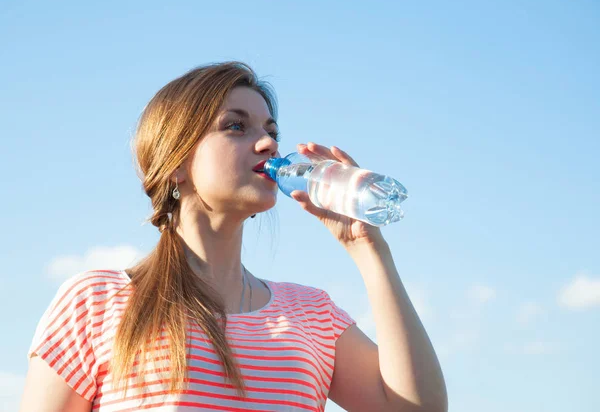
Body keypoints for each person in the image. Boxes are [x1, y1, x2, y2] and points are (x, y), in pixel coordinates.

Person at [19, 62, 447, 412]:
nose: (267, 144)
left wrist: (368, 249)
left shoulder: (312, 314)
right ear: (176, 163)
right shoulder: (96, 303)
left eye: (271, 131)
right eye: (236, 127)